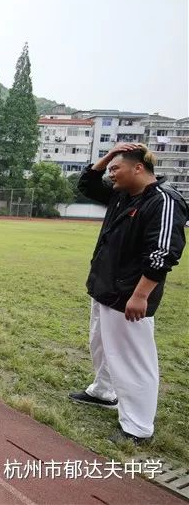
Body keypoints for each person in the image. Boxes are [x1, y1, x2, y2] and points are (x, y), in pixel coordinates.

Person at [69, 143, 187, 445]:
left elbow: (163, 253)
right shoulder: (122, 195)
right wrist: (109, 156)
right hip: (104, 288)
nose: (111, 174)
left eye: (116, 168)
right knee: (102, 346)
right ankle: (104, 391)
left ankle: (137, 426)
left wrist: (140, 295)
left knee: (133, 359)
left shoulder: (163, 201)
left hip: (129, 295)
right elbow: (87, 184)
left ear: (138, 167)